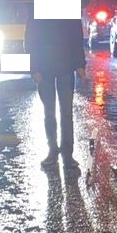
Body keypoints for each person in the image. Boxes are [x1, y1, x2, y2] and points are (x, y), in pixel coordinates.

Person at [28, 14, 85, 167]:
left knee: (66, 113)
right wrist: (35, 69)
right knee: (49, 112)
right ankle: (53, 151)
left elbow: (76, 37)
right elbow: (31, 39)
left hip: (66, 67)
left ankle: (67, 154)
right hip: (45, 69)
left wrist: (80, 64)